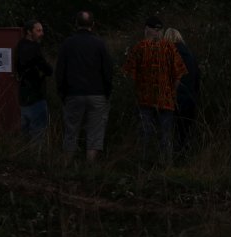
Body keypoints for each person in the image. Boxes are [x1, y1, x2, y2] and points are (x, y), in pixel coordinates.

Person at [122, 16, 187, 165]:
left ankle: (144, 164)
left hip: (145, 99)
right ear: (160, 31)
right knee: (165, 135)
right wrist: (171, 91)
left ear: (147, 30)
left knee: (145, 133)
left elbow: (129, 73)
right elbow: (179, 74)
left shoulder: (140, 47)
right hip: (166, 99)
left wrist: (139, 88)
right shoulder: (170, 48)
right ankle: (165, 165)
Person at [55, 11, 114, 162]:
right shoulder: (100, 44)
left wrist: (62, 92)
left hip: (73, 94)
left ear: (76, 24)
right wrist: (107, 92)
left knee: (71, 131)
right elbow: (107, 70)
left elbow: (60, 70)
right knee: (95, 132)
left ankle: (66, 166)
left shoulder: (67, 44)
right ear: (93, 25)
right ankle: (90, 168)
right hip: (97, 94)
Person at [164, 27, 201, 159]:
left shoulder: (168, 54)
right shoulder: (190, 54)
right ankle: (184, 158)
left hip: (173, 99)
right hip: (190, 98)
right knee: (185, 132)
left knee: (170, 131)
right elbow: (197, 77)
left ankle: (171, 159)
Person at [14, 20, 53, 145]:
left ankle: (24, 160)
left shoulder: (19, 46)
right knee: (38, 134)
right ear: (29, 32)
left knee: (25, 133)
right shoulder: (34, 48)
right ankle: (36, 161)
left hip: (24, 97)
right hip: (36, 96)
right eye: (38, 30)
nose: (42, 33)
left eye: (42, 30)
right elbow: (47, 69)